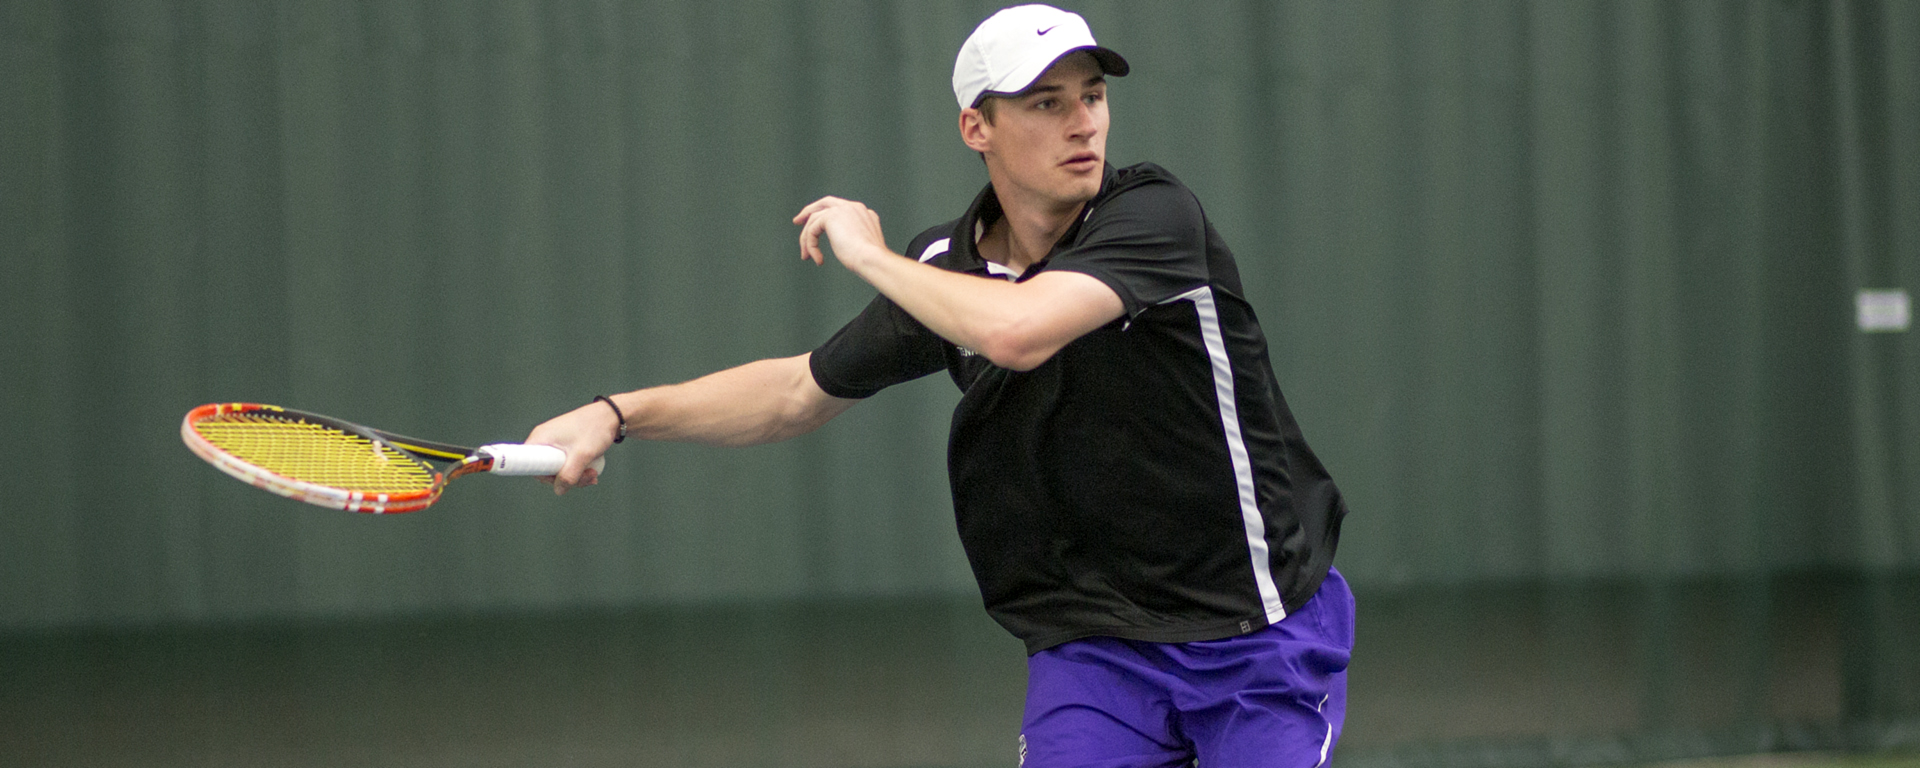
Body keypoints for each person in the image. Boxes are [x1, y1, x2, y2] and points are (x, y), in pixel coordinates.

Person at [525, 5, 1353, 766]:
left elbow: (1016, 330)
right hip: (1096, 644)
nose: (1082, 123)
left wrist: (865, 254)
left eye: (1092, 96)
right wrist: (615, 414)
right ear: (976, 126)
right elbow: (794, 393)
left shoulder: (1153, 216)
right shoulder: (944, 273)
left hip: (1258, 632)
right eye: (1044, 103)